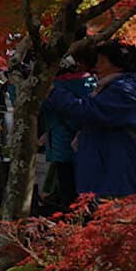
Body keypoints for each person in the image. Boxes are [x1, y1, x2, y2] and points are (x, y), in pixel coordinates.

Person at [46, 41, 136, 200]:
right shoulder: (114, 87)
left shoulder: (123, 91)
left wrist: (54, 94)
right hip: (111, 168)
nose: (97, 65)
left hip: (118, 172)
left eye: (102, 61)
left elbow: (88, 111)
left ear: (117, 65)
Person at [37, 47, 97, 214]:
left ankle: (75, 223)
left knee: (69, 190)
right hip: (89, 143)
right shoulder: (93, 82)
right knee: (87, 190)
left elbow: (37, 107)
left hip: (62, 144)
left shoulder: (56, 87)